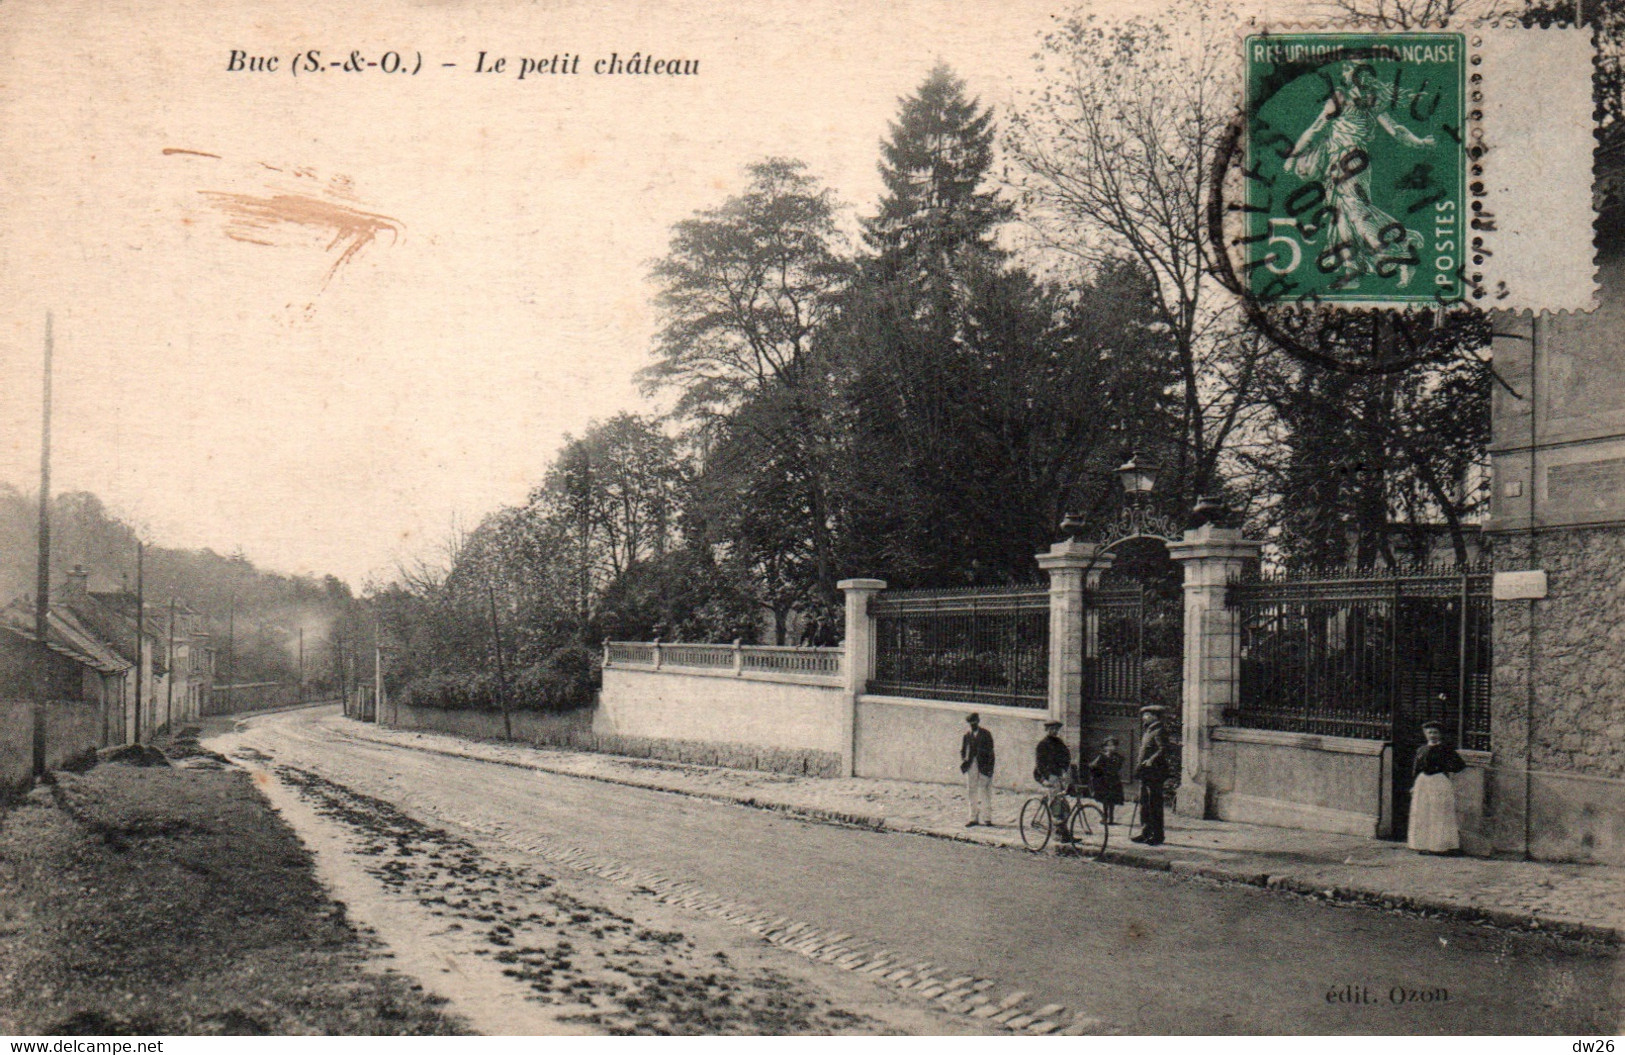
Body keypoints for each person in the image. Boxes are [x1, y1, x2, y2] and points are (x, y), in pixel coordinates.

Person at [1408, 721, 1466, 854]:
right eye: (1429, 732)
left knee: (1438, 812)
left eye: (1435, 732)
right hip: (1422, 782)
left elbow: (1459, 765)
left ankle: (1439, 846)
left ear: (1440, 734)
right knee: (1422, 811)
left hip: (1438, 781)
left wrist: (1444, 768)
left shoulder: (1445, 749)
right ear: (1425, 734)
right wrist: (1413, 785)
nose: (1432, 735)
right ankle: (1422, 844)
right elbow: (1416, 769)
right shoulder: (1421, 750)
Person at [1131, 705, 1169, 846]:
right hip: (1146, 773)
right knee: (1144, 803)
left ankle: (1158, 835)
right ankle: (1145, 832)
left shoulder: (1159, 730)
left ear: (1154, 716)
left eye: (1146, 715)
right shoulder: (1149, 731)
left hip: (1155, 773)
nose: (1143, 717)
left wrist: (1151, 760)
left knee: (1154, 805)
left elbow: (1163, 749)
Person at [1033, 719, 1073, 842]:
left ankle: (1062, 830)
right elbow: (1040, 764)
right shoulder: (1042, 744)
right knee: (1057, 804)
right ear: (1047, 730)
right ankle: (1059, 833)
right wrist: (1045, 779)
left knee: (1064, 806)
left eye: (1056, 729)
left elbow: (1067, 757)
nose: (1054, 731)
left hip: (1058, 775)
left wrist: (1065, 770)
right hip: (1047, 776)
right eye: (1052, 729)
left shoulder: (1059, 742)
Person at [960, 712, 996, 827]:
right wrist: (964, 760)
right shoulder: (967, 735)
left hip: (984, 766)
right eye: (970, 723)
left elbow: (991, 752)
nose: (973, 725)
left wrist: (990, 768)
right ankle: (973, 818)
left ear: (978, 722)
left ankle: (987, 818)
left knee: (985, 791)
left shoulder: (986, 734)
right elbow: (963, 750)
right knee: (972, 791)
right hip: (971, 766)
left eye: (974, 723)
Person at [1088, 736, 1126, 826]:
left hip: (1114, 780)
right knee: (1105, 800)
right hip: (1104, 781)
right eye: (1109, 746)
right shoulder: (1102, 756)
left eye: (1114, 746)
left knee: (1112, 799)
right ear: (1105, 747)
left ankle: (1111, 819)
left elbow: (1118, 767)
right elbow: (1092, 766)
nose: (1111, 748)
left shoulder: (1118, 757)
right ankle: (1105, 817)